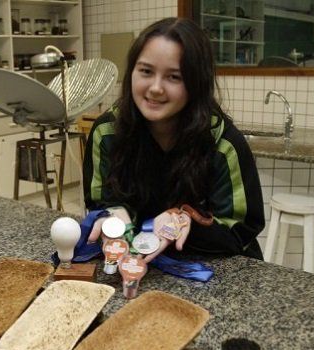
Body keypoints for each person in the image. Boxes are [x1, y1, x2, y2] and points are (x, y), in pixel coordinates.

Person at [83, 17, 265, 263]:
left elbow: (240, 229)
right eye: (146, 71)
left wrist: (187, 221)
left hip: (213, 267)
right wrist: (112, 216)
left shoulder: (223, 143)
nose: (156, 88)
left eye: (174, 77)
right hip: (138, 264)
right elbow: (100, 200)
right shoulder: (108, 132)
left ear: (196, 84)